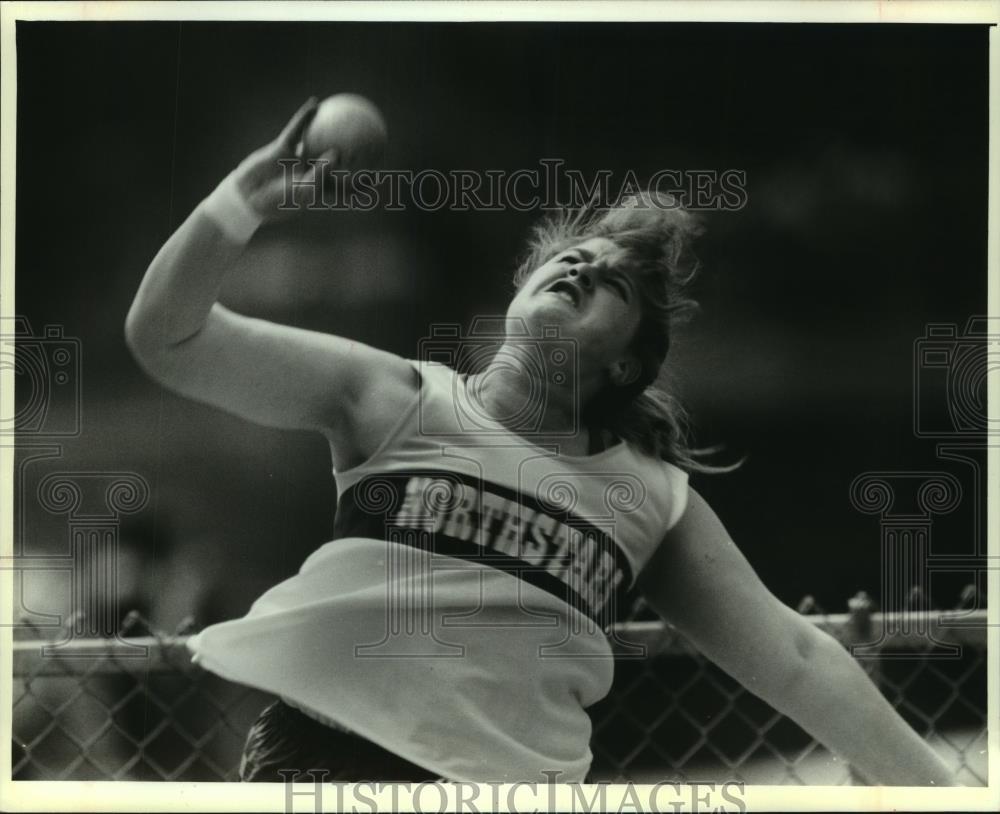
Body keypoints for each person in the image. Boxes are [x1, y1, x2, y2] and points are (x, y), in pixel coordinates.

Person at [125, 98, 957, 786]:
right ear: (522, 288)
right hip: (321, 770)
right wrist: (239, 203)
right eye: (570, 259)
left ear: (628, 360)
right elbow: (167, 338)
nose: (579, 272)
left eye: (611, 286)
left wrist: (943, 795)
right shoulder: (395, 397)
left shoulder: (651, 496)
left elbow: (797, 658)